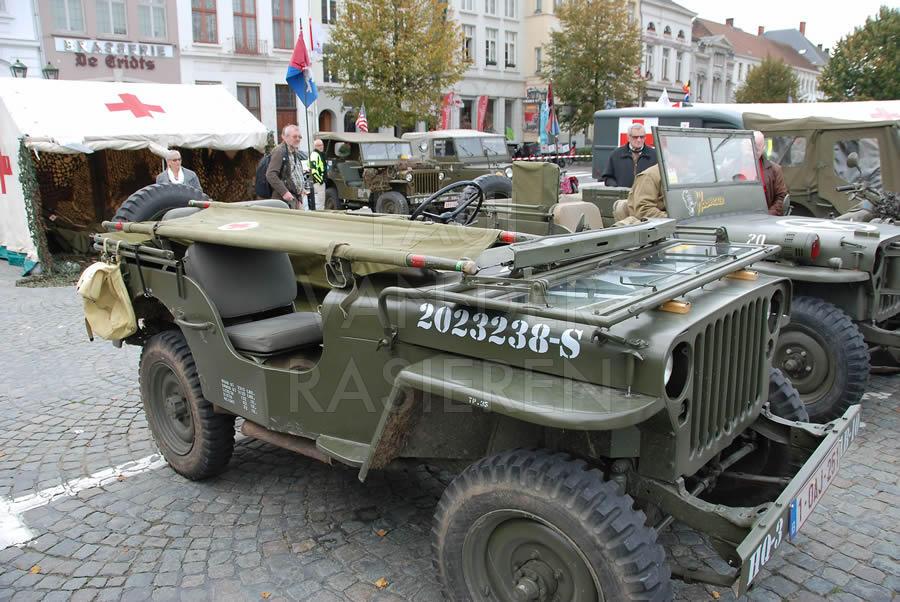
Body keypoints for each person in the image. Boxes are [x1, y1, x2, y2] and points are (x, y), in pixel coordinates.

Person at [601, 124, 657, 188]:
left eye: (641, 137)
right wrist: (617, 188)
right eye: (635, 137)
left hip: (646, 194)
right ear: (628, 138)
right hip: (622, 193)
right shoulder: (616, 154)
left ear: (645, 138)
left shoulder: (654, 155)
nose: (639, 140)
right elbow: (608, 177)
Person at [267, 124, 309, 210]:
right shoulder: (279, 151)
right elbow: (270, 174)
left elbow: (295, 176)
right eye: (294, 137)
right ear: (286, 137)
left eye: (299, 137)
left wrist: (299, 197)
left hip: (295, 199)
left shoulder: (294, 152)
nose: (298, 139)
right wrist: (284, 192)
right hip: (284, 201)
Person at [754, 131, 788, 216]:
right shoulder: (732, 167)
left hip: (765, 217)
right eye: (749, 148)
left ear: (763, 148)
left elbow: (781, 197)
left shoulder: (775, 170)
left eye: (757, 149)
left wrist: (768, 215)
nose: (753, 151)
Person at [309, 138, 325, 210]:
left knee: (321, 201)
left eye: (322, 145)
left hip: (319, 182)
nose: (321, 147)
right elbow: (314, 170)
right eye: (319, 145)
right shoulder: (315, 155)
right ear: (315, 146)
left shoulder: (319, 154)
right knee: (320, 202)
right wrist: (320, 181)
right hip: (318, 183)